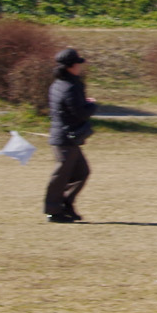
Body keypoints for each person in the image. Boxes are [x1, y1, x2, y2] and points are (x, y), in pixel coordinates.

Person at [44, 47, 94, 223]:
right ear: (70, 67)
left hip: (64, 136)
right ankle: (53, 211)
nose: (80, 67)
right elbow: (80, 113)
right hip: (66, 137)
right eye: (78, 64)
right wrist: (92, 105)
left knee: (81, 172)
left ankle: (65, 205)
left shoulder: (58, 83)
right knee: (61, 175)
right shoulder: (71, 86)